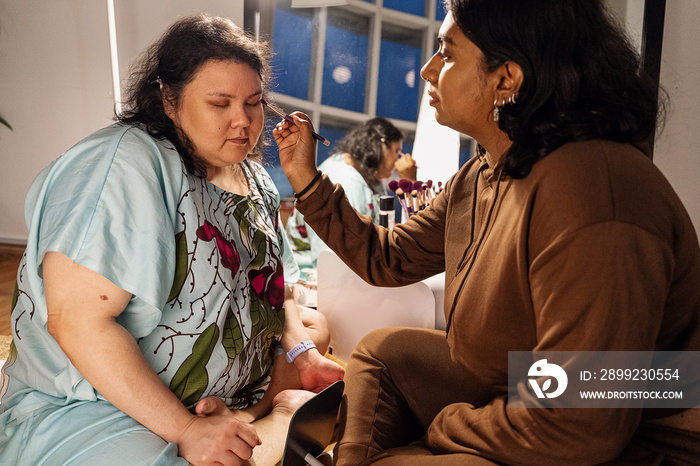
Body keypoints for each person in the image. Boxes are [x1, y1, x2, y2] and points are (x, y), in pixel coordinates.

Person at [272, 0, 700, 464]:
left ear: (506, 79)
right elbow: (389, 257)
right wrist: (306, 179)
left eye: (447, 52)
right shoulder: (487, 171)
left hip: (632, 438)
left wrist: (443, 429)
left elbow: (581, 419)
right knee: (382, 353)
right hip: (529, 386)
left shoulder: (594, 190)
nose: (428, 70)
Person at [0, 13, 343, 466]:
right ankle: (265, 425)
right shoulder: (128, 165)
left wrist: (301, 353)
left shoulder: (255, 179)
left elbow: (274, 292)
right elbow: (78, 323)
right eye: (220, 104)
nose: (242, 121)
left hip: (230, 394)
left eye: (254, 102)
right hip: (99, 406)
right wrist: (186, 429)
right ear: (169, 99)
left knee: (318, 327)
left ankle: (254, 415)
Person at [285, 117, 414, 273]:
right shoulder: (347, 180)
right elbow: (344, 251)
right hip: (315, 274)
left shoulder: (370, 177)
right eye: (396, 151)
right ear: (381, 146)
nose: (397, 160)